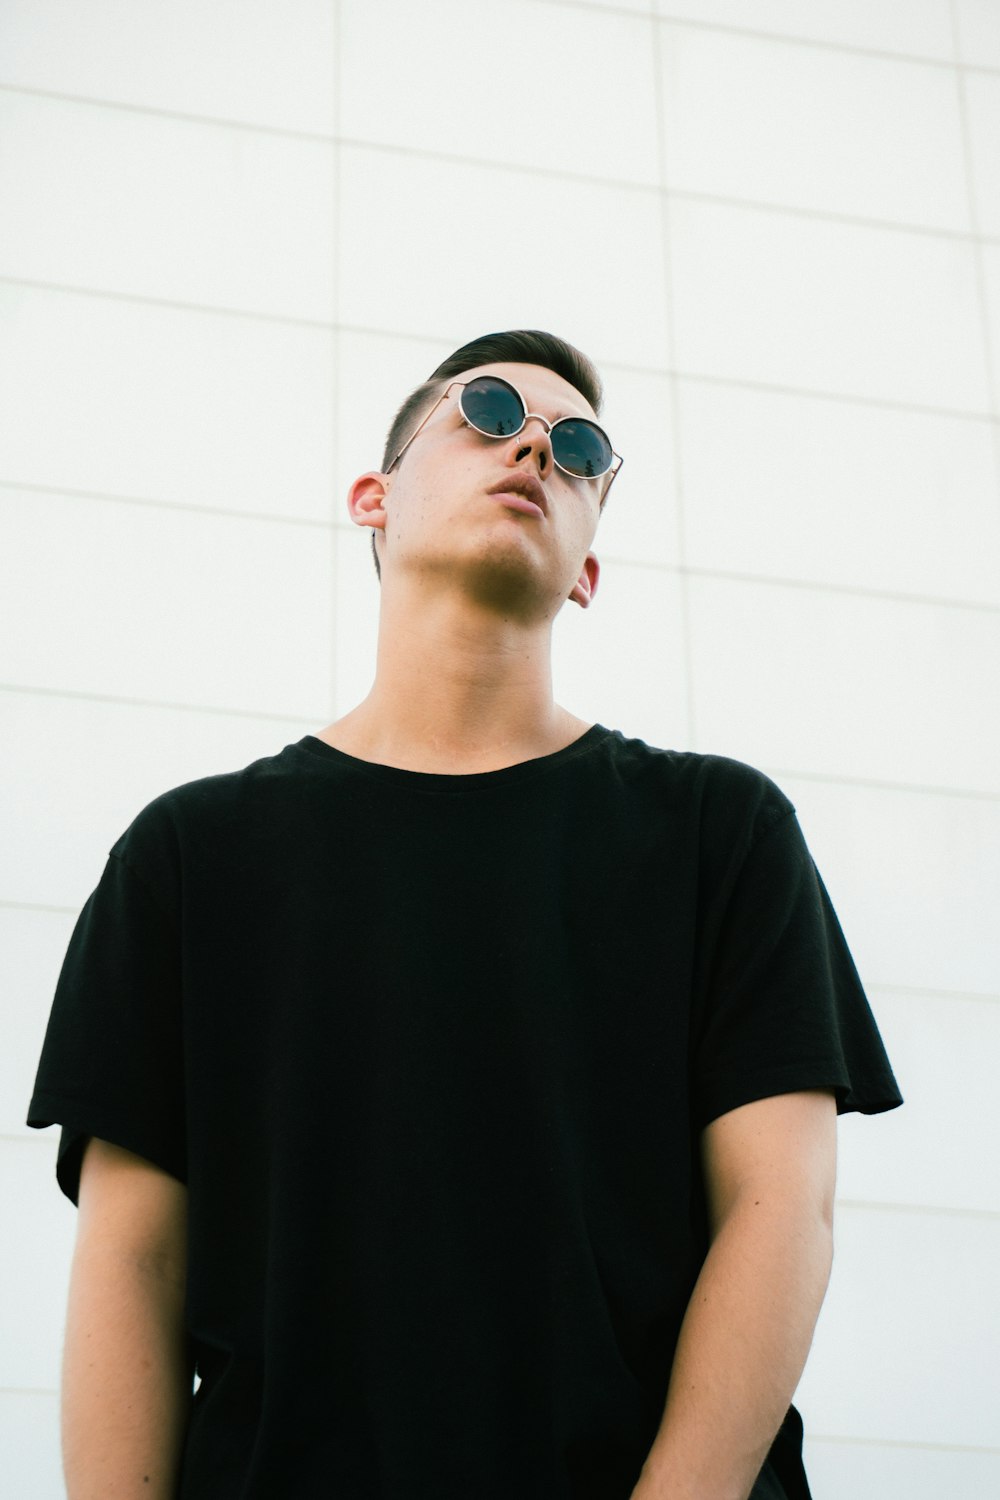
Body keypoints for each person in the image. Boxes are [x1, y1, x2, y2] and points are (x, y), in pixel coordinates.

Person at [28, 328, 902, 1500]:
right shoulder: (188, 858)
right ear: (371, 499)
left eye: (579, 448)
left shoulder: (718, 833)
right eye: (487, 412)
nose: (535, 444)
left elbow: (779, 1204)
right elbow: (133, 1260)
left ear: (589, 568)